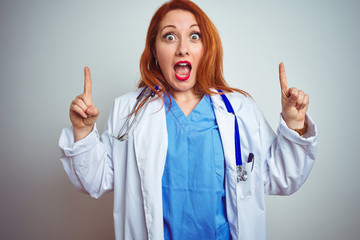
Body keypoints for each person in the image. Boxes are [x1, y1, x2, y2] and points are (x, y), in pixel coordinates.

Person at [59, 0, 317, 239]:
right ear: (155, 51)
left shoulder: (239, 111)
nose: (182, 48)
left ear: (206, 49)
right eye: (169, 37)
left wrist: (294, 124)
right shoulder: (129, 109)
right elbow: (96, 179)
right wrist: (82, 132)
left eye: (194, 36)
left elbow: (281, 178)